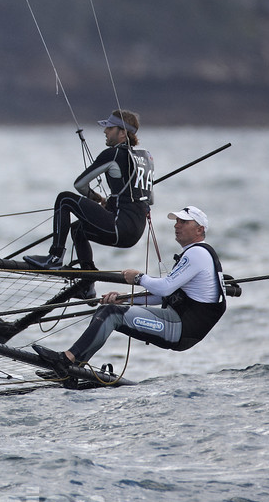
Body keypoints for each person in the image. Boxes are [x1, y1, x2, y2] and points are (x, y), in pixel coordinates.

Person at [33, 206, 226, 372]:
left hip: (182, 329)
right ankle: (74, 366)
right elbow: (161, 295)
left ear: (200, 229)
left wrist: (138, 277)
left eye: (183, 222)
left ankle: (66, 361)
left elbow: (165, 288)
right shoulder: (194, 254)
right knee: (107, 310)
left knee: (111, 313)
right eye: (177, 221)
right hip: (179, 322)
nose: (176, 225)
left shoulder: (197, 254)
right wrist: (125, 299)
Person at [24, 110, 153, 271]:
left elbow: (80, 185)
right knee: (78, 228)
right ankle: (87, 282)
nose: (105, 131)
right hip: (135, 233)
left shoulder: (113, 155)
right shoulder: (146, 158)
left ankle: (54, 257)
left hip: (119, 227)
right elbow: (149, 200)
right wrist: (114, 202)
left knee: (65, 199)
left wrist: (95, 198)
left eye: (110, 128)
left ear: (123, 133)